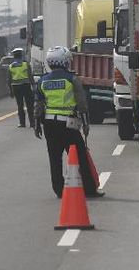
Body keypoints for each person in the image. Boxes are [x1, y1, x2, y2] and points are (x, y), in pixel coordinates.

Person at [34, 46, 104, 199]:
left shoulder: (42, 81)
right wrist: (86, 124)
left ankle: (59, 190)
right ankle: (89, 189)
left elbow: (38, 105)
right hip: (69, 126)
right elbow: (82, 104)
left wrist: (36, 124)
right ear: (65, 62)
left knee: (54, 158)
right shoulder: (72, 79)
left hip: (49, 125)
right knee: (80, 157)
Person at [7, 48, 35, 128]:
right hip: (26, 86)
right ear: (21, 55)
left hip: (16, 87)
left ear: (14, 56)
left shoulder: (11, 66)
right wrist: (34, 86)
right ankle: (32, 123)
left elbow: (9, 80)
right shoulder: (26, 64)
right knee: (30, 105)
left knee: (20, 105)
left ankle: (22, 123)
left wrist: (10, 91)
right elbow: (30, 76)